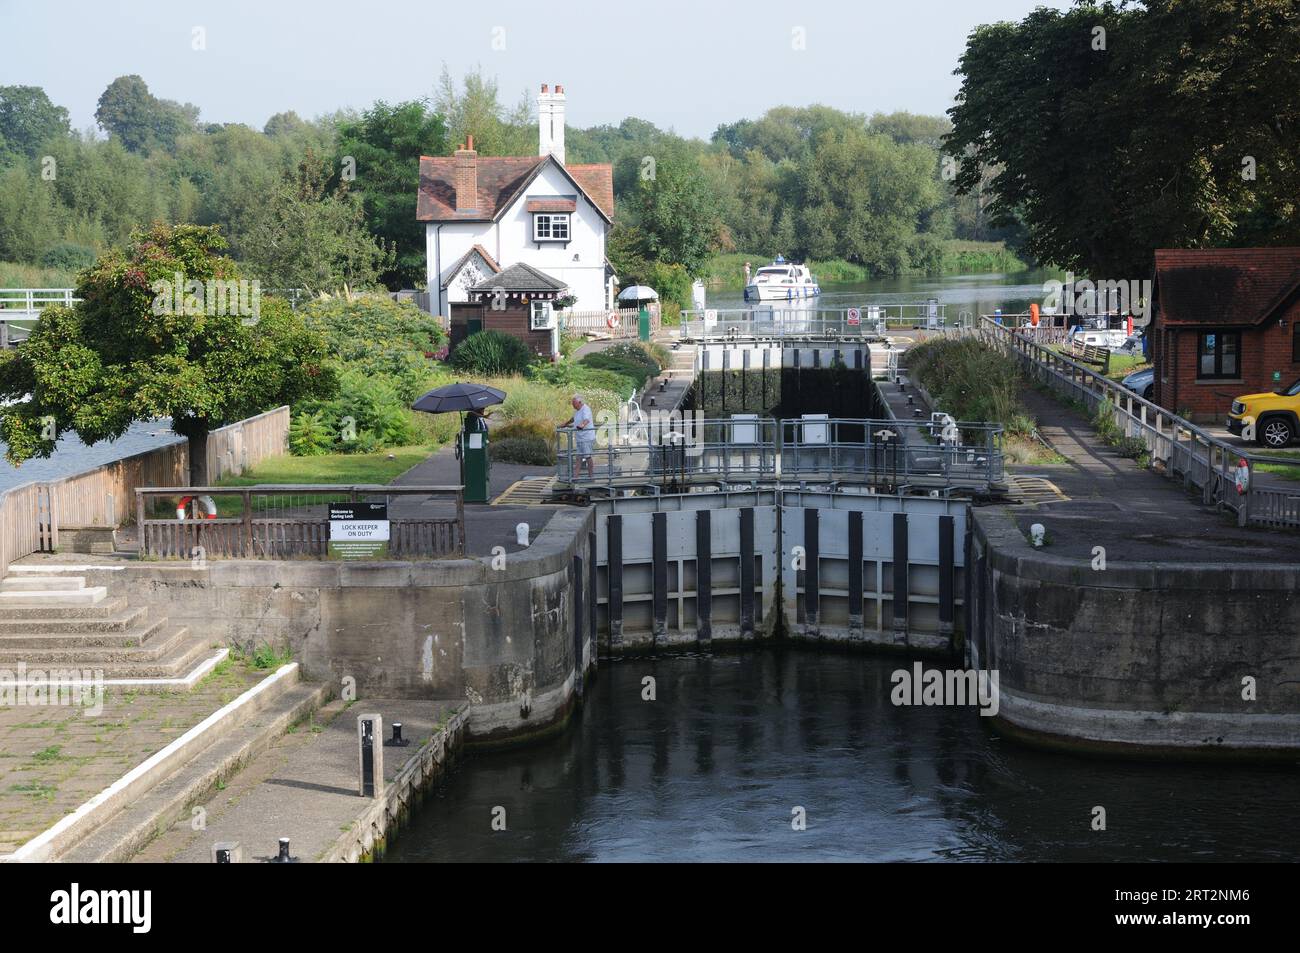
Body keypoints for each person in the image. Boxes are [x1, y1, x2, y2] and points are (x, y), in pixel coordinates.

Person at [563, 394, 596, 480]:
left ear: (580, 402)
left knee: (588, 456)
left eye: (574, 404)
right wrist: (565, 424)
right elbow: (573, 419)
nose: (573, 405)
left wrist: (582, 425)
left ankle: (591, 476)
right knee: (578, 458)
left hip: (586, 438)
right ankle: (575, 477)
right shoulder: (577, 410)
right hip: (580, 438)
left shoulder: (585, 409)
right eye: (572, 404)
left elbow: (586, 420)